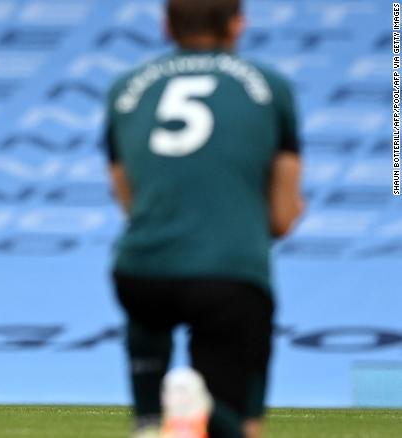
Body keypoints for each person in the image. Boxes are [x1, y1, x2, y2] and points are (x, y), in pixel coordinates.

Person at [102, 0, 303, 437]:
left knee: (147, 323)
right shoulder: (270, 87)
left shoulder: (125, 88)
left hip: (140, 271)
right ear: (238, 24)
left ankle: (151, 419)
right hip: (229, 272)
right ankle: (199, 415)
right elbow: (283, 217)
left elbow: (126, 196)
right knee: (239, 422)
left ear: (165, 26)